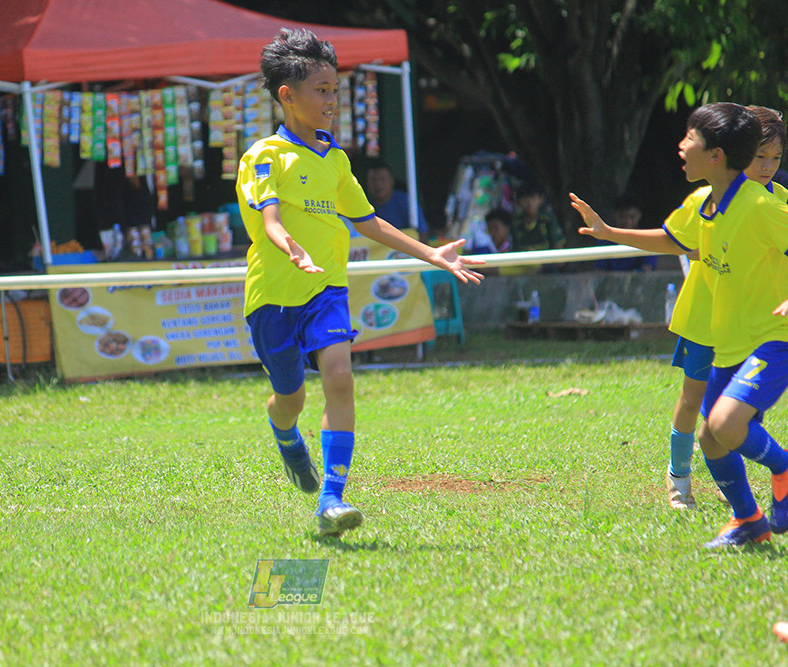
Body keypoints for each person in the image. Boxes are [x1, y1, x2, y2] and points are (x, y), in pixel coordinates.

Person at [236, 28, 484, 537]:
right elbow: (271, 221)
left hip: (326, 290)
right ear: (287, 95)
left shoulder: (336, 157)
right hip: (273, 297)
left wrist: (429, 252)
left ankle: (331, 499)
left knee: (341, 377)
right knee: (291, 399)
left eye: (335, 90)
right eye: (321, 91)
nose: (333, 101)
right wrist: (290, 247)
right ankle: (284, 433)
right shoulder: (264, 156)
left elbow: (368, 222)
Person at [570, 102, 788, 548]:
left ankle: (784, 469)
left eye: (690, 138)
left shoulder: (762, 206)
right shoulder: (704, 203)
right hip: (727, 341)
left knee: (725, 424)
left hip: (772, 340)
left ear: (717, 156)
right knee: (710, 437)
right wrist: (609, 231)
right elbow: (673, 240)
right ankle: (749, 521)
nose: (681, 145)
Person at [365, 160, 430, 243]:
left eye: (382, 179)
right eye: (373, 180)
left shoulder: (406, 202)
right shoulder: (364, 204)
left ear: (392, 181)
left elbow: (422, 232)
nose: (378, 184)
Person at [593, 193, 658, 272]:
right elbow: (600, 271)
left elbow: (647, 268)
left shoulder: (647, 239)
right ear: (614, 215)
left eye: (632, 217)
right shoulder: (604, 239)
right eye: (622, 216)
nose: (628, 221)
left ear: (639, 216)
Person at [510, 183, 566, 253]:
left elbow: (558, 245)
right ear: (518, 201)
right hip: (522, 261)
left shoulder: (548, 219)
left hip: (545, 261)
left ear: (540, 199)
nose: (529, 202)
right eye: (525, 199)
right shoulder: (515, 222)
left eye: (533, 198)